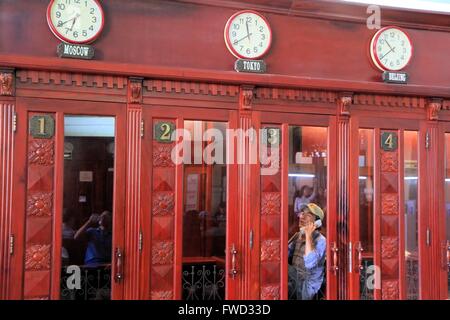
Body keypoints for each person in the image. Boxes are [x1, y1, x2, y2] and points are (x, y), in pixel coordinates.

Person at [288, 203, 326, 300]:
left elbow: (310, 263)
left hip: (306, 287)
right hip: (294, 279)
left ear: (317, 222)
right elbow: (282, 256)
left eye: (307, 215)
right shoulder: (298, 236)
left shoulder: (321, 240)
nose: (302, 217)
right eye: (301, 214)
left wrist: (309, 235)